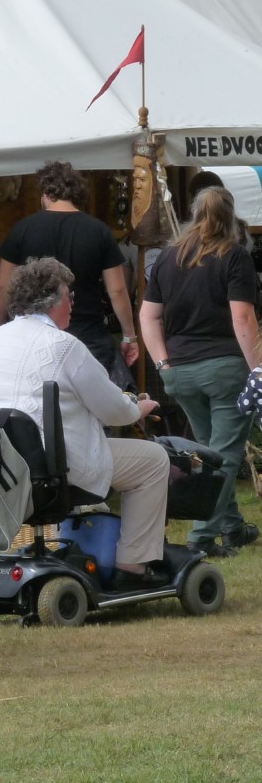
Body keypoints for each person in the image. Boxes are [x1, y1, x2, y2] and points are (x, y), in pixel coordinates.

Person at [0, 257, 170, 589]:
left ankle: (81, 548)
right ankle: (132, 567)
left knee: (80, 444)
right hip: (53, 465)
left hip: (2, 461)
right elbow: (114, 411)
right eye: (70, 295)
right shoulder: (64, 347)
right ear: (54, 302)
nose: (73, 303)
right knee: (154, 461)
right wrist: (139, 407)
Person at [140, 186, 261, 557]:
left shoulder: (167, 258)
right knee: (224, 457)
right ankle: (200, 539)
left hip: (179, 370)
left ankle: (232, 527)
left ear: (194, 214)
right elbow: (242, 318)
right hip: (224, 368)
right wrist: (258, 367)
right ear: (230, 216)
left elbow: (149, 316)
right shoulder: (235, 257)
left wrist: (162, 364)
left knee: (210, 453)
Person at [0, 161, 138, 392]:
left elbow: (2, 287)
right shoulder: (99, 231)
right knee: (94, 407)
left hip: (35, 339)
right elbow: (117, 290)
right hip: (89, 337)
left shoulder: (22, 229)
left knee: (43, 404)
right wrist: (129, 336)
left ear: (46, 193)